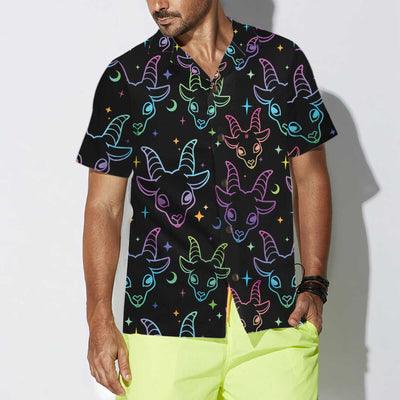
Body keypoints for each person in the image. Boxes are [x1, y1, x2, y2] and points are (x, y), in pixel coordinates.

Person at [75, 1, 338, 399]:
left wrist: (315, 284)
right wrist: (98, 320)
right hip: (163, 326)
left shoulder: (281, 62)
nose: (158, 5)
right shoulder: (127, 78)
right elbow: (104, 207)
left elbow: (311, 176)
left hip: (276, 321)